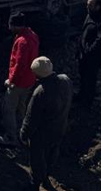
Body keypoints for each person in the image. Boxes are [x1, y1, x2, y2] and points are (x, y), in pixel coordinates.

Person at [20, 57, 73, 191]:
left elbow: (30, 118)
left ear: (37, 75)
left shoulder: (41, 92)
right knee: (51, 155)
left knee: (37, 159)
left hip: (42, 134)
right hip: (60, 128)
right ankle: (46, 178)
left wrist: (23, 134)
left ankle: (35, 184)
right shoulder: (65, 80)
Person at [0, 12, 39, 147]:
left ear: (15, 25)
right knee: (22, 106)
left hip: (19, 81)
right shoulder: (33, 35)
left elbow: (19, 65)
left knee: (8, 108)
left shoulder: (21, 42)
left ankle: (11, 136)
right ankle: (22, 132)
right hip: (30, 79)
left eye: (10, 24)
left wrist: (11, 81)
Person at [76, 0, 101, 107]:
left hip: (93, 57)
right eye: (87, 5)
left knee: (90, 79)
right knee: (83, 76)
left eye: (90, 5)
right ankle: (81, 95)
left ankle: (87, 102)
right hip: (84, 54)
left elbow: (100, 39)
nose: (87, 7)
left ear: (98, 7)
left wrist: (89, 50)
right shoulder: (90, 15)